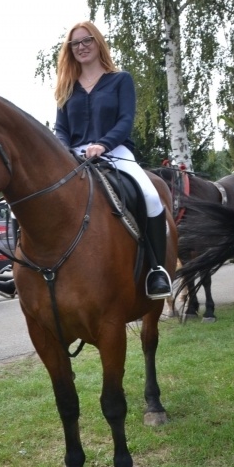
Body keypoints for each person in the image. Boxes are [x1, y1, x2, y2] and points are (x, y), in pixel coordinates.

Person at [54, 20, 171, 299]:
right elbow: (61, 129)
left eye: (87, 41)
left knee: (151, 197)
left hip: (115, 151)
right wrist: (63, 152)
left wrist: (103, 144)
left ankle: (156, 269)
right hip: (74, 155)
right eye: (75, 43)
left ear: (98, 42)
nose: (81, 47)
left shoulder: (120, 79)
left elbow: (125, 120)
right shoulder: (66, 86)